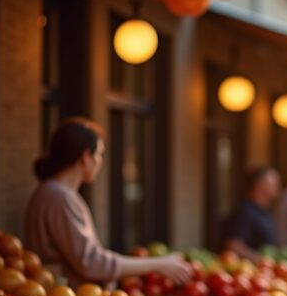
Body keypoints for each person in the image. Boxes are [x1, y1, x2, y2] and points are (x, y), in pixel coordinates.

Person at [25, 117, 192, 287]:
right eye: (98, 153)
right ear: (85, 157)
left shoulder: (56, 193)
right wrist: (158, 264)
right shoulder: (59, 197)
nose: (100, 161)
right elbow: (91, 262)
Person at [225, 166, 281, 259]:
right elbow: (233, 244)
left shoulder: (265, 211)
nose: (278, 185)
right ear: (260, 185)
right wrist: (258, 259)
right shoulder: (246, 212)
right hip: (249, 269)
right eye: (274, 182)